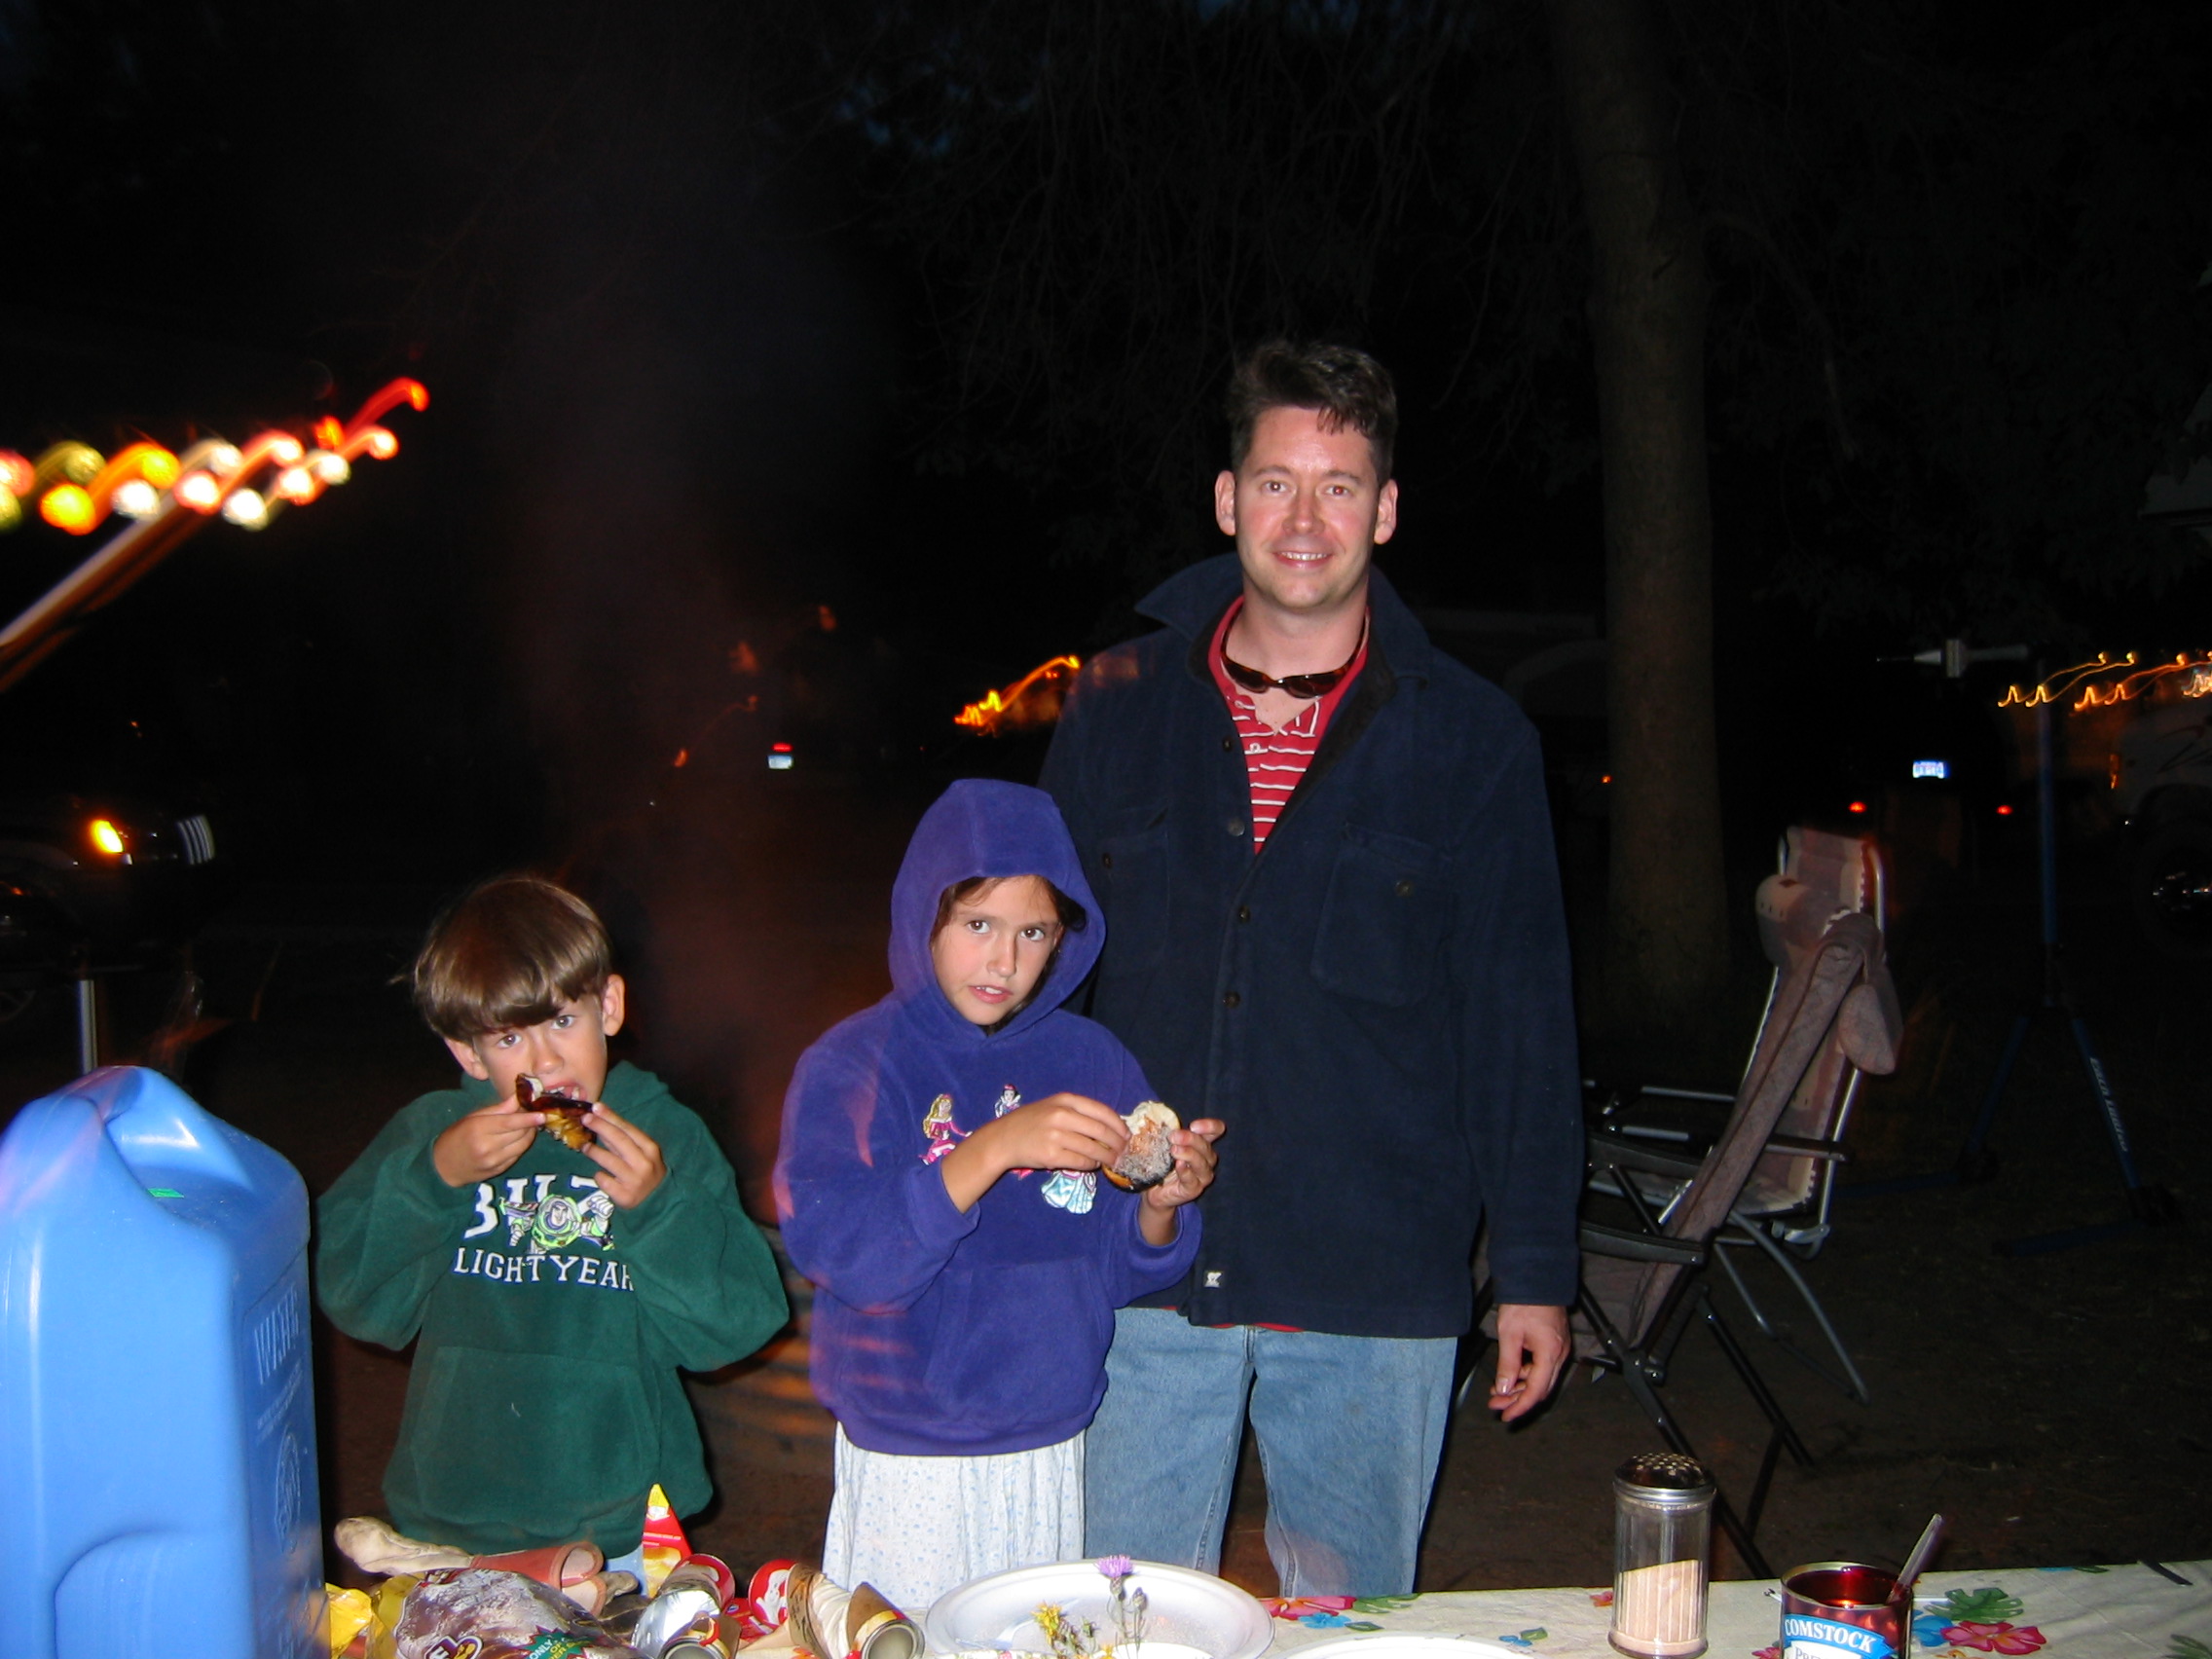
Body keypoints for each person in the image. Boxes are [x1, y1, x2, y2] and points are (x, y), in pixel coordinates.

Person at [1040, 340, 1583, 1595]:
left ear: (1384, 512)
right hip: (1141, 1271)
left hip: (1371, 1287)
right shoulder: (1115, 704)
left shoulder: (1473, 739)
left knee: (1350, 1630)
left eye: (1339, 486)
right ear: (1226, 499)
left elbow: (1520, 1021)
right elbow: (1034, 973)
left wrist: (1537, 1275)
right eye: (1276, 481)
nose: (1304, 517)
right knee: (1120, 1623)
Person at [773, 779, 1221, 1609]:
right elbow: (852, 1259)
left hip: (1046, 1440)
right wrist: (992, 1150)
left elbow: (1115, 1271)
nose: (1005, 960)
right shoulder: (855, 1063)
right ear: (925, 918)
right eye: (978, 925)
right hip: (909, 1450)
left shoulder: (1092, 1060)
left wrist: (1162, 1203)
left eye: (1033, 932)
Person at [316, 874, 788, 1561]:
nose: (544, 1062)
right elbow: (354, 1295)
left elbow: (738, 1324)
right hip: (453, 1518)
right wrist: (432, 1179)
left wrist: (658, 1210)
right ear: (466, 1051)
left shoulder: (661, 1137)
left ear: (609, 1006)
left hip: (621, 1523)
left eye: (563, 1022)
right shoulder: (434, 1136)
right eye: (508, 1039)